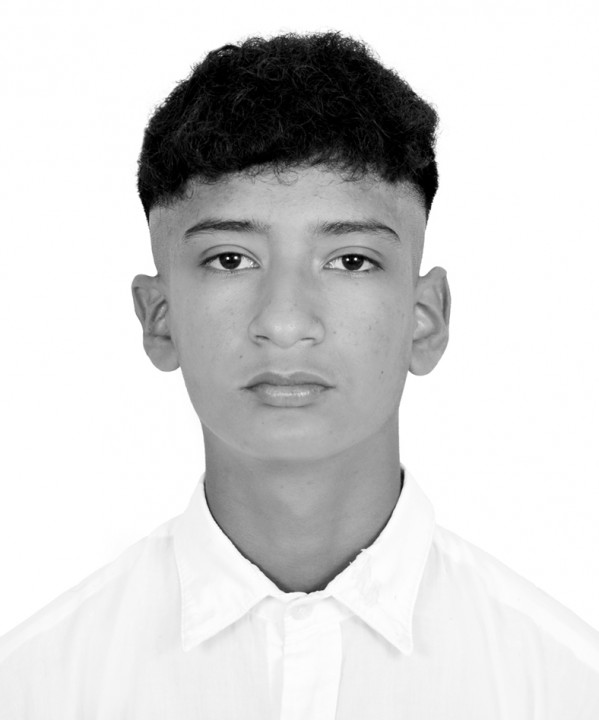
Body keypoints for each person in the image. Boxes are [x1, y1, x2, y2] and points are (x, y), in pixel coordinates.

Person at [1, 30, 598, 719]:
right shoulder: (33, 689)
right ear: (159, 318)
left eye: (350, 261)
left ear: (425, 319)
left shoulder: (565, 688)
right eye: (230, 259)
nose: (284, 322)